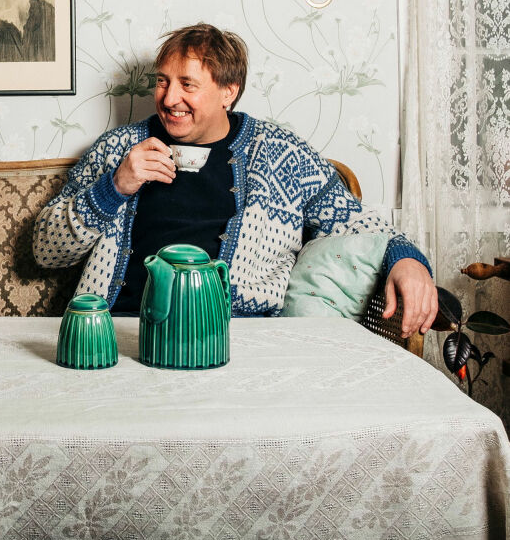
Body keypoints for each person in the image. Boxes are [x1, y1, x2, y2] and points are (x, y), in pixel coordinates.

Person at [33, 23, 438, 338]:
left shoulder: (280, 154)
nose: (169, 98)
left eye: (187, 84)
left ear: (229, 91)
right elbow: (45, 251)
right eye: (162, 81)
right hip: (119, 333)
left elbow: (358, 223)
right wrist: (114, 187)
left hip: (237, 341)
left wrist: (406, 260)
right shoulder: (118, 148)